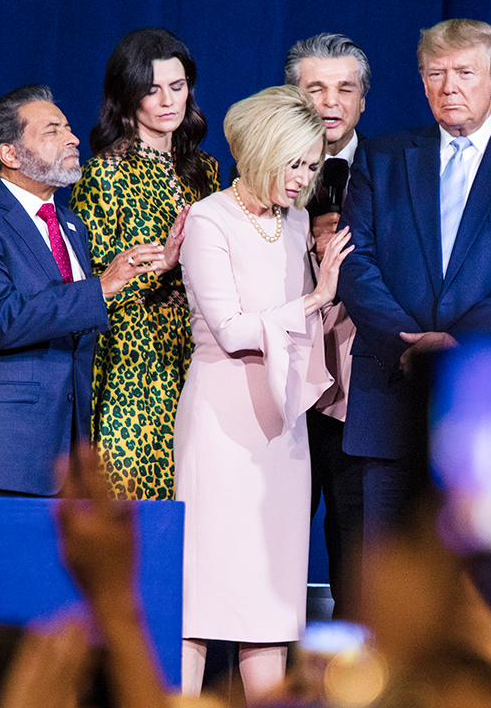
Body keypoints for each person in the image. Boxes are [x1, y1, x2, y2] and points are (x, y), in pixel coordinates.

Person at [338, 18, 491, 536]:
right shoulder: (381, 158)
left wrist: (457, 343)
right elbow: (355, 262)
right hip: (393, 391)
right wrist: (409, 341)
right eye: (435, 73)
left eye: (465, 72)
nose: (449, 87)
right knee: (396, 585)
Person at [174, 85, 352, 703]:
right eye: (294, 163)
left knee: (271, 601)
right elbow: (231, 329)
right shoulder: (208, 218)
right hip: (222, 421)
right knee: (199, 596)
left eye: (312, 165)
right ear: (259, 152)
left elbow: (295, 331)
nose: (304, 178)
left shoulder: (298, 219)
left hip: (284, 422)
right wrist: (314, 297)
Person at [0, 84, 151, 496]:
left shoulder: (71, 225)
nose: (72, 139)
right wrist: (99, 289)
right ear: (10, 154)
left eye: (69, 128)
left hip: (66, 460)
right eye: (52, 131)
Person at [70, 27, 219, 501]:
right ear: (127, 95)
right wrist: (160, 268)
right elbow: (86, 288)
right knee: (132, 504)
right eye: (152, 90)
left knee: (195, 497)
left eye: (177, 87)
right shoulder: (104, 172)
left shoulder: (204, 169)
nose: (168, 101)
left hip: (198, 350)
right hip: (132, 360)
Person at [282, 31, 371, 619]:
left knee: (357, 557)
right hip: (278, 393)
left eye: (344, 88)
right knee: (269, 557)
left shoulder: (396, 174)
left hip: (360, 395)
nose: (330, 102)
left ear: (363, 99)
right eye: (315, 88)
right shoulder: (257, 177)